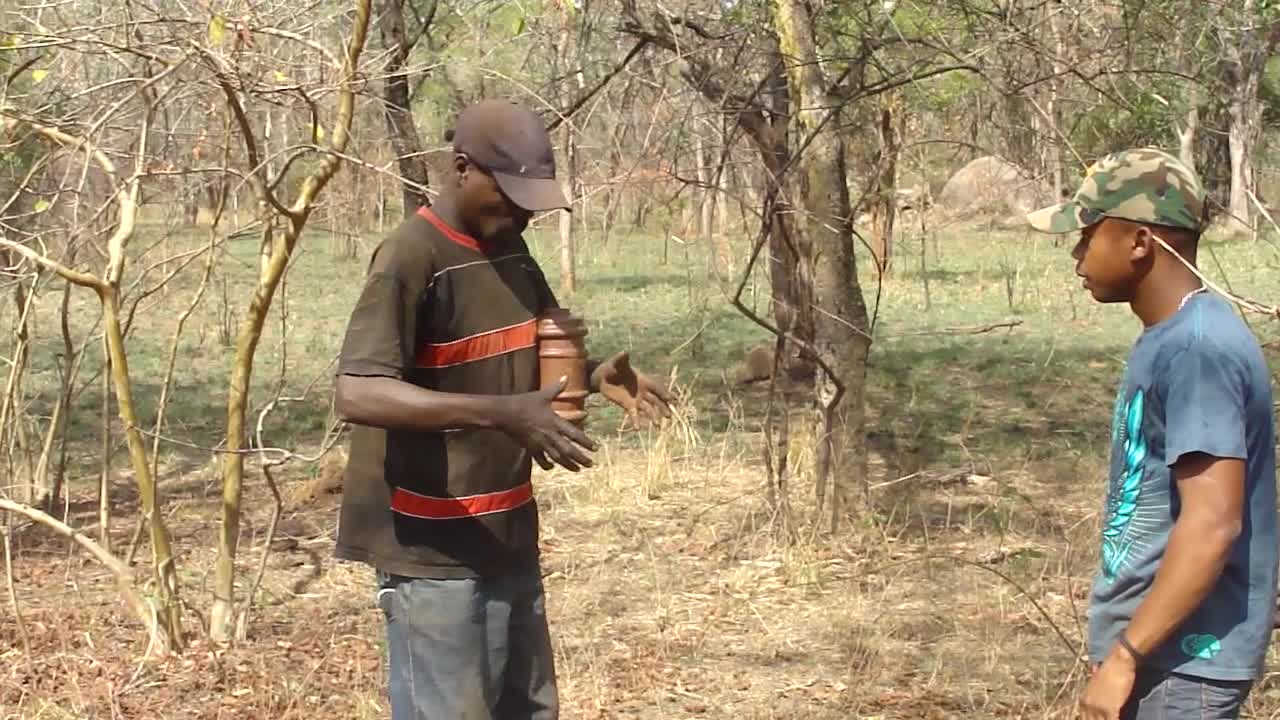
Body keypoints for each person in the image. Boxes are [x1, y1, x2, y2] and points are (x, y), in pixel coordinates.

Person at [332, 98, 674, 720]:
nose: (524, 212)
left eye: (532, 199)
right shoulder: (412, 256)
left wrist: (594, 377)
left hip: (508, 533)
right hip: (433, 552)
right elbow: (357, 392)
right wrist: (501, 413)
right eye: (512, 194)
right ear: (463, 169)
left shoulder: (513, 251)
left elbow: (529, 363)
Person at [1025, 148, 1277, 720]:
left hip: (1181, 665)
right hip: (1161, 655)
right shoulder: (1174, 338)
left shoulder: (1197, 350)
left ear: (1139, 242)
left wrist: (1127, 657)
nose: (1076, 255)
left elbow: (1213, 522)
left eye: (1088, 235)